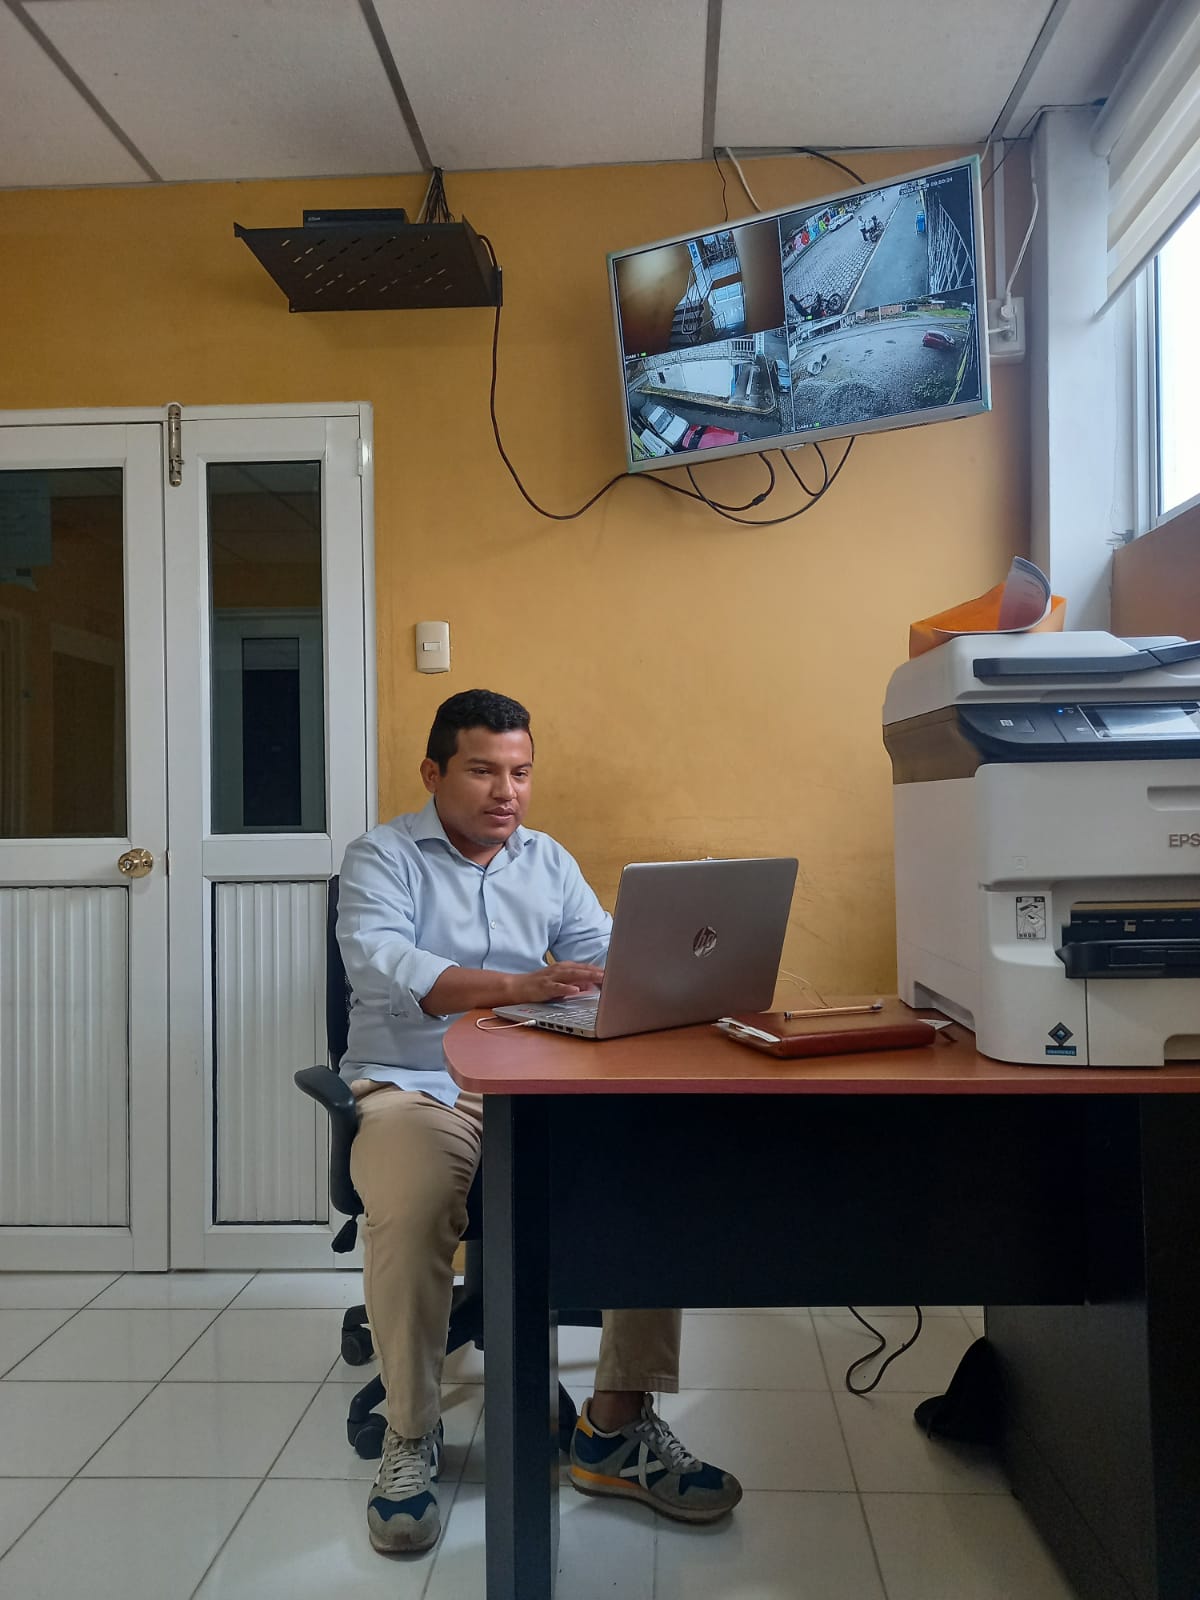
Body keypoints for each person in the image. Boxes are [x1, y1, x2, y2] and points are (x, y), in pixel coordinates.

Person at [336, 688, 742, 1555]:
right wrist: (519, 984)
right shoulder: (381, 857)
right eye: (483, 771)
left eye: (520, 773)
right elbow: (388, 966)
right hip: (417, 1084)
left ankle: (615, 1428)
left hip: (537, 1082)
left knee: (649, 1173)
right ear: (433, 773)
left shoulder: (546, 858)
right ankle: (410, 1435)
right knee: (412, 1204)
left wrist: (659, 972)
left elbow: (598, 954)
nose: (506, 792)